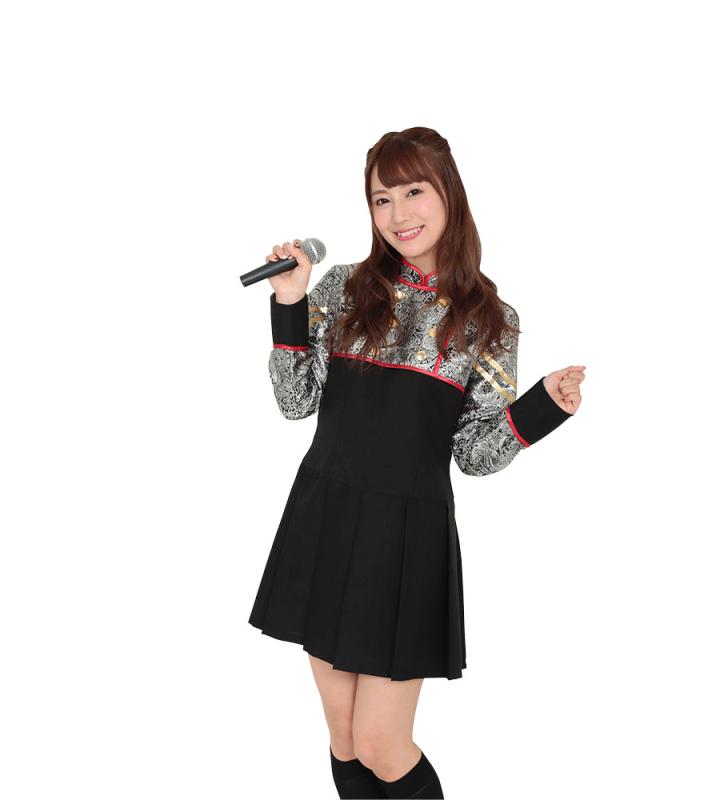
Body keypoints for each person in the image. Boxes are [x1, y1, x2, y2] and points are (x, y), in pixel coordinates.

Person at [248, 126, 585, 799]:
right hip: (326, 515)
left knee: (381, 743)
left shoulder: (490, 320)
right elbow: (295, 401)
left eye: (413, 192)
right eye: (381, 198)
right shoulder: (343, 287)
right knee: (346, 739)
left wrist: (540, 409)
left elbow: (474, 454)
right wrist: (289, 301)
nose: (398, 213)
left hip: (406, 536)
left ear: (448, 193)